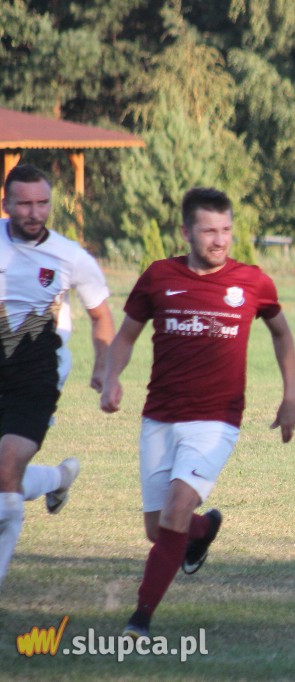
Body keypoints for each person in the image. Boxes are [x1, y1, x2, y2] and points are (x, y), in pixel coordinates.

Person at [100, 187, 295, 638]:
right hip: (159, 417)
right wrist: (113, 377)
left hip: (217, 419)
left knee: (174, 510)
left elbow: (282, 334)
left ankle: (140, 618)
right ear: (186, 231)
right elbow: (127, 337)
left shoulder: (252, 282)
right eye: (209, 230)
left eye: (226, 230)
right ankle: (204, 528)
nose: (220, 240)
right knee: (158, 529)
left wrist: (290, 397)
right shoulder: (157, 277)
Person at [0, 163, 113, 590]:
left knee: (7, 465)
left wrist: (104, 368)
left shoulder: (70, 256)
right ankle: (59, 478)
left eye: (42, 203)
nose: (34, 212)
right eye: (24, 203)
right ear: (7, 202)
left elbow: (102, 315)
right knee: (4, 477)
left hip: (36, 375)